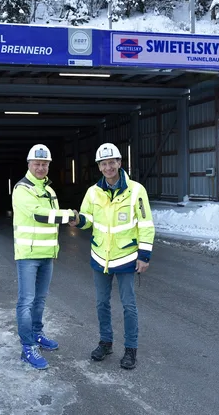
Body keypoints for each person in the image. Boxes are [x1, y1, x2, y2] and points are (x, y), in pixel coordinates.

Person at [70, 143, 155, 369]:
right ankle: (106, 343)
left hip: (127, 257)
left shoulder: (137, 191)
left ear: (119, 163)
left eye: (112, 162)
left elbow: (146, 224)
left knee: (129, 306)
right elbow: (88, 219)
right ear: (99, 167)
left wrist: (144, 255)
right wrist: (78, 220)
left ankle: (130, 350)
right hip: (100, 257)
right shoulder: (92, 192)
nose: (108, 167)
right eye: (104, 164)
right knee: (101, 304)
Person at [12, 143, 77, 370]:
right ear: (29, 164)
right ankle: (27, 346)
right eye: (37, 164)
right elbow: (40, 215)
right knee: (26, 301)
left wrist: (53, 250)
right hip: (28, 255)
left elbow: (51, 225)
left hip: (47, 255)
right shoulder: (22, 189)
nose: (41, 168)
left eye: (44, 164)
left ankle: (37, 334)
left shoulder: (50, 191)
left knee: (40, 300)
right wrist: (69, 215)